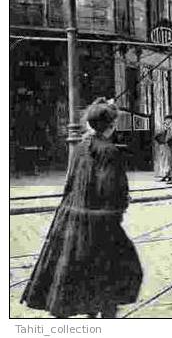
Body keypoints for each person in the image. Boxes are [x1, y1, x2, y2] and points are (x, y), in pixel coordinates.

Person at [21, 98, 143, 319]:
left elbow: (70, 184)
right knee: (117, 268)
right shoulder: (110, 151)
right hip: (101, 222)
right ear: (111, 125)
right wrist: (119, 208)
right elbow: (113, 190)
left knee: (73, 266)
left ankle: (81, 309)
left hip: (72, 217)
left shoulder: (79, 148)